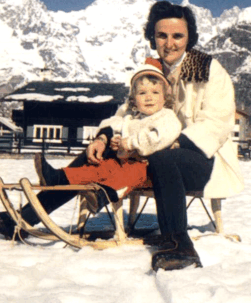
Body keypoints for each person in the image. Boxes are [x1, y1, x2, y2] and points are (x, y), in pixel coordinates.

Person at [0, 1, 244, 273]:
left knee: (165, 156)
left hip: (203, 160)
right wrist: (103, 138)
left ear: (190, 38)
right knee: (98, 152)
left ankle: (180, 247)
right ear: (153, 37)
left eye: (178, 36)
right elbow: (124, 114)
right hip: (146, 155)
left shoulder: (208, 69)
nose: (170, 43)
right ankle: (21, 219)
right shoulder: (150, 73)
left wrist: (170, 143)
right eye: (162, 35)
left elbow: (216, 123)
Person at [33, 64, 181, 214]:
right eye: (142, 93)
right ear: (134, 100)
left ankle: (101, 196)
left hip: (149, 168)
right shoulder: (131, 119)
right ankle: (59, 177)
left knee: (128, 175)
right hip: (123, 162)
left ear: (165, 98)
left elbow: (160, 137)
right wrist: (116, 140)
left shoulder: (166, 117)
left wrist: (130, 143)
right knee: (98, 169)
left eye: (155, 92)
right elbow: (117, 126)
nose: (149, 97)